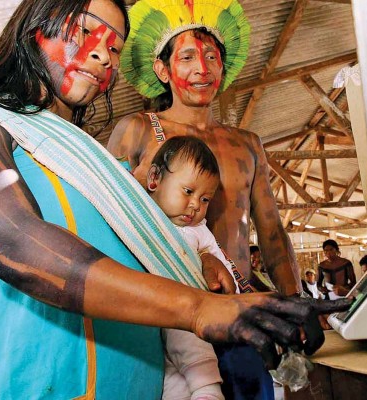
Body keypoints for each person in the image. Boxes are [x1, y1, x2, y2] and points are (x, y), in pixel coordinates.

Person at [0, 0, 350, 398]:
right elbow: (20, 247)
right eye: (87, 31)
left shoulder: (92, 162)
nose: (102, 55)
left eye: (114, 47)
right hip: (32, 383)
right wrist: (201, 306)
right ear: (35, 27)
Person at [107, 1, 325, 399]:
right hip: (165, 324)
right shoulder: (138, 130)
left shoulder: (248, 144)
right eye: (187, 56)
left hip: (240, 318)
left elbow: (272, 231)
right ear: (162, 69)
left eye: (211, 57)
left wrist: (295, 303)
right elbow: (106, 219)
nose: (202, 69)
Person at [146, 136, 234, 400]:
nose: (196, 205)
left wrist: (210, 260)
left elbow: (227, 278)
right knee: (170, 383)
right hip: (145, 319)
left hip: (181, 314)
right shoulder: (138, 214)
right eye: (188, 192)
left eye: (205, 199)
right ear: (154, 179)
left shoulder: (199, 232)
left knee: (188, 343)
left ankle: (208, 390)